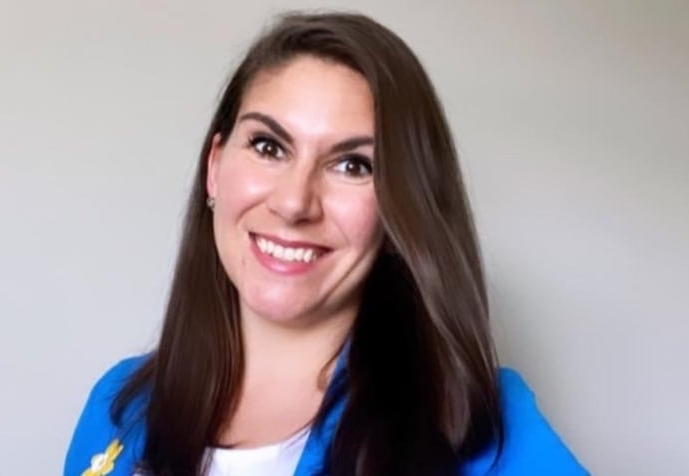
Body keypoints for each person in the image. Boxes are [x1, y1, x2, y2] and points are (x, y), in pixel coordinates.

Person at [65, 11, 587, 476]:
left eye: (353, 165)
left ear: (400, 211)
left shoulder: (480, 426)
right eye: (268, 146)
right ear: (215, 168)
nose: (295, 203)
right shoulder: (117, 408)